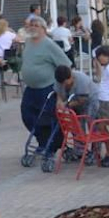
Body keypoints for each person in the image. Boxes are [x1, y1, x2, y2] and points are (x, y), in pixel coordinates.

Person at [17, 17, 73, 169]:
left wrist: (61, 89)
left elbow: (66, 64)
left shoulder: (49, 45)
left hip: (47, 89)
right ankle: (43, 142)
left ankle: (52, 147)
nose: (33, 28)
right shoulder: (28, 42)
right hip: (31, 88)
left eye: (36, 25)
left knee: (48, 119)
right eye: (31, 25)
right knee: (28, 116)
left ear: (43, 28)